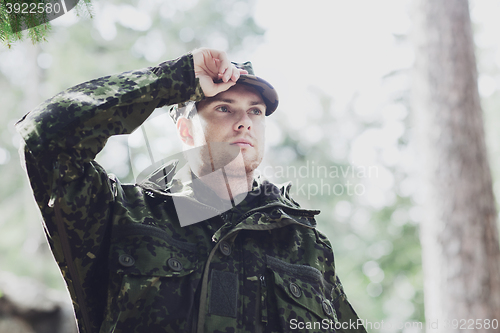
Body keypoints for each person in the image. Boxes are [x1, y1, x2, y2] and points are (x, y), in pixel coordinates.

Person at [16, 48, 367, 333]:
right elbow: (44, 136)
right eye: (224, 108)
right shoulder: (120, 215)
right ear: (185, 131)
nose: (244, 121)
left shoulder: (304, 244)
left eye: (255, 111)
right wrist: (177, 79)